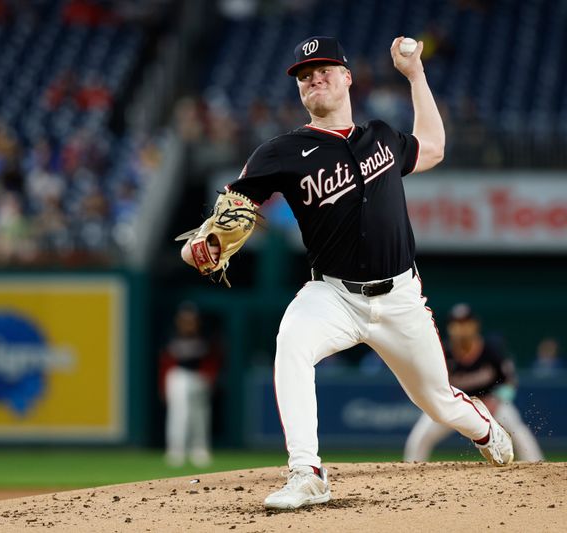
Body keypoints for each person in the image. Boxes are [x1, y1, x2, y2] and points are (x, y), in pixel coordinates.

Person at [180, 36, 514, 510]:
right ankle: (307, 472)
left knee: (436, 401)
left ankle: (484, 429)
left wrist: (415, 74)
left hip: (400, 297)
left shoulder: (382, 136)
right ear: (299, 90)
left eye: (323, 69)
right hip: (333, 295)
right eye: (304, 75)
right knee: (291, 341)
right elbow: (233, 207)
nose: (314, 78)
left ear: (347, 77)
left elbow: (435, 148)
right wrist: (202, 248)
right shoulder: (282, 151)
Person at [404, 303, 544, 462]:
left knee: (519, 433)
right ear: (450, 328)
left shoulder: (491, 351)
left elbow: (509, 381)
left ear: (475, 325)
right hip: (453, 405)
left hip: (490, 405)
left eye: (466, 323)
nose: (461, 328)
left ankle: (538, 469)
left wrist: (498, 399)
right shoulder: (443, 353)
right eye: (456, 324)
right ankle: (411, 475)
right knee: (420, 437)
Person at [158, 302, 221, 468]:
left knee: (200, 415)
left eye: (191, 319)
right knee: (179, 414)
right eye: (185, 319)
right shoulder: (170, 336)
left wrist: (210, 378)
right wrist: (163, 386)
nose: (188, 322)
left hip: (199, 376)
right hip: (178, 375)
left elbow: (213, 359)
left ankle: (199, 449)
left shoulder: (205, 337)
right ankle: (176, 450)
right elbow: (165, 361)